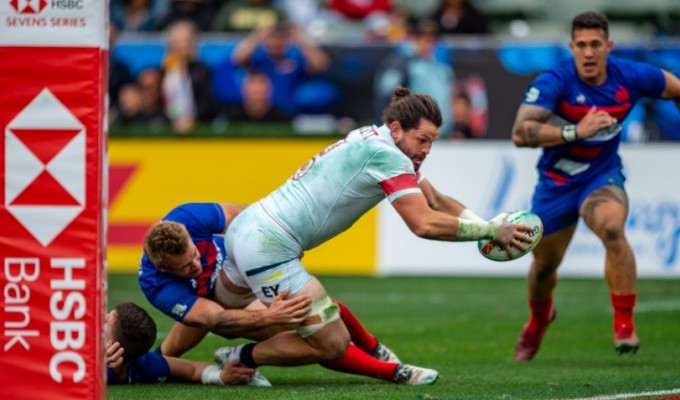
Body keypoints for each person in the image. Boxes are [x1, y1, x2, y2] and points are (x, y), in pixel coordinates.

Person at [216, 87, 533, 384]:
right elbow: (423, 222)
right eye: (423, 139)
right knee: (332, 343)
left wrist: (486, 226)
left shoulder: (373, 137)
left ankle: (171, 361)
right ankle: (239, 359)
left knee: (217, 312)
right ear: (397, 129)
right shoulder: (389, 157)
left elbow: (436, 200)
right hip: (269, 248)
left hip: (248, 226)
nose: (427, 150)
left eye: (432, 142)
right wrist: (492, 230)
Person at [510, 11, 680, 361]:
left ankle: (624, 326)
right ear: (572, 47)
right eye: (582, 45)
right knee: (543, 266)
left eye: (596, 45)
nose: (588, 53)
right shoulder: (556, 78)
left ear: (608, 46)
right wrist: (574, 131)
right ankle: (539, 320)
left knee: (612, 228)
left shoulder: (630, 75)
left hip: (601, 175)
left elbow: (676, 87)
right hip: (556, 183)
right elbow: (520, 132)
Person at [140, 202, 434, 385]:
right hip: (212, 307)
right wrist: (269, 315)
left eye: (195, 254)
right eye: (186, 267)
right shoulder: (157, 284)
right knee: (315, 328)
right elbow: (215, 319)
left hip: (236, 278)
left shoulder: (188, 217)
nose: (197, 263)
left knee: (320, 310)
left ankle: (374, 350)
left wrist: (277, 246)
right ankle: (392, 371)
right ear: (164, 267)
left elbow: (247, 218)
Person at [106, 301, 258, 385]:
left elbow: (192, 370)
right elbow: (193, 369)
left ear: (114, 347)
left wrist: (221, 377)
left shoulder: (144, 365)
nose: (102, 316)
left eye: (107, 320)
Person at [373, 20, 455, 135]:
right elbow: (386, 96)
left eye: (433, 41)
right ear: (415, 39)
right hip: (412, 133)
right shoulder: (401, 63)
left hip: (439, 132)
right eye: (426, 40)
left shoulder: (440, 66)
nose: (429, 45)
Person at [160, 19, 215, 134]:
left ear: (194, 43)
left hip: (198, 129)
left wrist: (192, 119)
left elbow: (207, 104)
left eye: (186, 41)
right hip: (166, 128)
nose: (182, 45)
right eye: (177, 41)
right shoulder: (162, 72)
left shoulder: (203, 71)